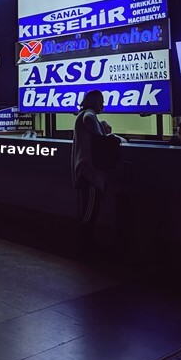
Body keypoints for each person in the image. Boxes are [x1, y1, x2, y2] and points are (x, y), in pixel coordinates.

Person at [71, 89, 123, 255]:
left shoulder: (82, 116)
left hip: (83, 169)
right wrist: (106, 132)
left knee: (88, 209)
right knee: (90, 211)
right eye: (101, 101)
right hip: (90, 172)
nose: (103, 105)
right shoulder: (89, 115)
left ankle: (85, 244)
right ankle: (85, 245)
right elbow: (100, 138)